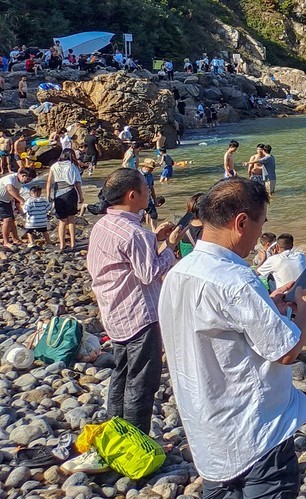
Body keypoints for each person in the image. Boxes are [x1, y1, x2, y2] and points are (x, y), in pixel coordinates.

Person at [159, 179, 306, 497]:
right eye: (260, 224)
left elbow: (216, 329)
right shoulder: (236, 279)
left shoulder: (179, 272)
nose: (260, 234)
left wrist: (267, 303)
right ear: (241, 222)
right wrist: (305, 311)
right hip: (255, 434)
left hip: (208, 435)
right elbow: (285, 352)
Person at [86, 168, 180, 434]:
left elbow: (126, 258)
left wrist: (156, 239)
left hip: (114, 312)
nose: (149, 192)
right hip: (139, 315)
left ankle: (117, 432)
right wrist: (170, 247)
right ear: (132, 195)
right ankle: (136, 442)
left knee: (122, 373)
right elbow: (149, 273)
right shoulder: (133, 233)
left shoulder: (104, 225)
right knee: (142, 382)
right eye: (145, 188)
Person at [45, 148, 84, 250]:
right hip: (70, 192)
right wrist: (81, 196)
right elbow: (77, 182)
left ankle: (62, 245)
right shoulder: (72, 166)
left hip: (58, 193)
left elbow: (49, 181)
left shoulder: (54, 166)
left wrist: (48, 195)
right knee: (71, 219)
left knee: (62, 221)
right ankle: (73, 243)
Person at [0, 167, 33, 249]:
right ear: (23, 175)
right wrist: (21, 200)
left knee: (12, 220)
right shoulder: (10, 178)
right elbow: (10, 189)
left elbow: (16, 193)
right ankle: (6, 242)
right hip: (1, 200)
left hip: (7, 201)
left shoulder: (19, 182)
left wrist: (18, 205)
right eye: (27, 179)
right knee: (7, 220)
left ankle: (15, 239)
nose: (27, 182)